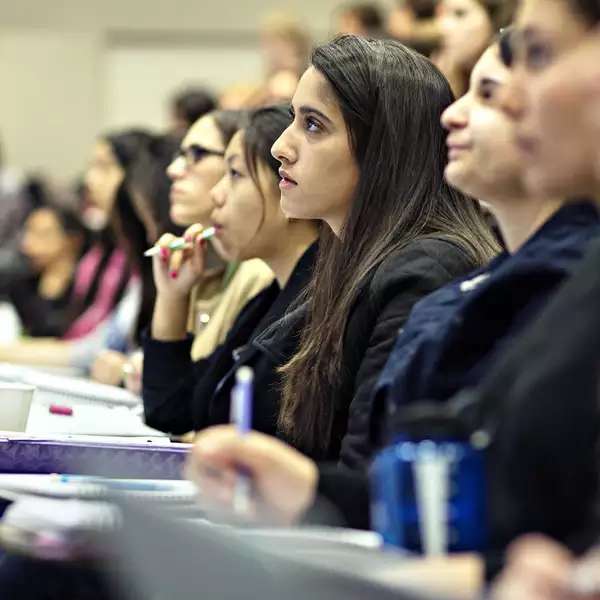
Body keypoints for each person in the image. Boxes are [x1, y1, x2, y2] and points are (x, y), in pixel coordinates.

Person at [269, 34, 497, 464]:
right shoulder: (352, 255)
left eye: (313, 124)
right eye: (293, 118)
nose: (280, 146)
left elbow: (370, 477)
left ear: (383, 150)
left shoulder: (428, 270)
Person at [142, 106, 319, 438]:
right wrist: (172, 297)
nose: (216, 195)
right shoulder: (270, 299)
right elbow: (171, 410)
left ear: (288, 186)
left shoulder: (315, 302)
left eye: (235, 175)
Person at [0, 130, 152, 370]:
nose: (90, 179)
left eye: (104, 167)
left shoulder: (141, 253)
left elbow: (101, 347)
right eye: (91, 167)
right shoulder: (105, 247)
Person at [164, 109, 274, 363]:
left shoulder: (259, 273)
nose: (173, 169)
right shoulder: (206, 272)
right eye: (180, 154)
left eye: (197, 153)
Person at [8, 194, 87, 338]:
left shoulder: (89, 286)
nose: (26, 244)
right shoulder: (20, 287)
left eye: (41, 234)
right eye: (27, 233)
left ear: (72, 240)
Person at [434, 0, 516, 96]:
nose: (443, 27)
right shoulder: (443, 70)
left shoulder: (510, 81)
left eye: (460, 14)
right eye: (442, 14)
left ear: (494, 18)